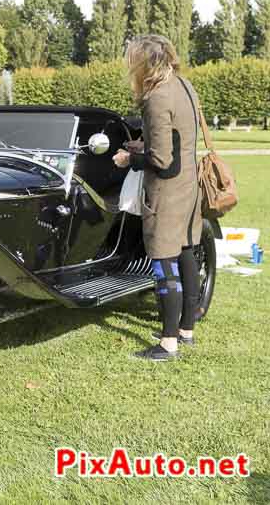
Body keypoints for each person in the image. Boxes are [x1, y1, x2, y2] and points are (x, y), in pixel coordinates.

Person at [113, 34, 203, 361]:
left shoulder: (156, 97)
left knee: (164, 260)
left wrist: (129, 159)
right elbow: (177, 143)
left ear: (142, 64)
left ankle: (168, 343)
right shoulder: (184, 86)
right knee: (187, 252)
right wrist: (145, 145)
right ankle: (186, 330)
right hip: (191, 185)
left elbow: (162, 161)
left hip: (167, 191)